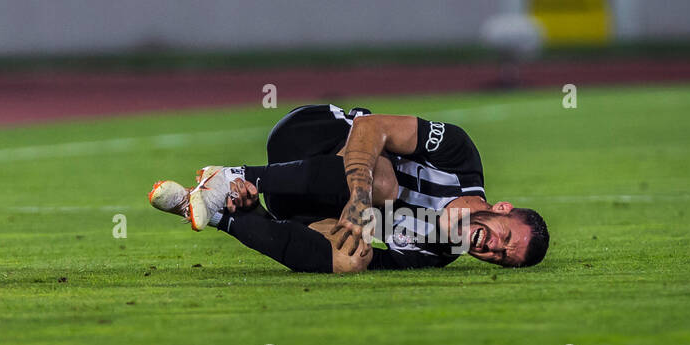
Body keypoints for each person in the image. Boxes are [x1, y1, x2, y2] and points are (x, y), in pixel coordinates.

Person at [149, 104, 549, 273]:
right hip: (309, 134)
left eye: (500, 258)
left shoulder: (435, 254)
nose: (492, 248)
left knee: (352, 259)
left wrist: (339, 245)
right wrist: (359, 198)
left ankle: (217, 209)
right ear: (502, 209)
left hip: (297, 199)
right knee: (385, 186)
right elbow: (370, 127)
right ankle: (236, 174)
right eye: (505, 238)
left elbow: (362, 258)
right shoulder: (460, 157)